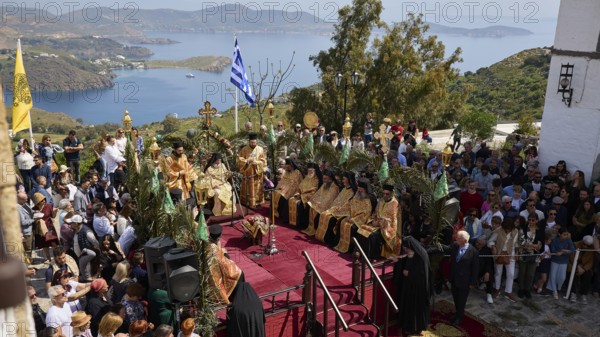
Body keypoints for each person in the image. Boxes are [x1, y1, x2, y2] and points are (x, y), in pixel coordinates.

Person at [393, 236, 432, 335]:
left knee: (417, 310)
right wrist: (398, 262)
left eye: (406, 247)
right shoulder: (412, 253)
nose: (405, 249)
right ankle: (408, 327)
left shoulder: (422, 255)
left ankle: (419, 328)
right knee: (408, 307)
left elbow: (423, 273)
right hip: (409, 288)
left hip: (418, 289)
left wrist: (409, 273)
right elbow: (406, 260)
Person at [334, 178, 375, 253]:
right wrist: (348, 214)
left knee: (352, 227)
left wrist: (354, 219)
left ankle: (350, 249)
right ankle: (339, 244)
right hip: (351, 216)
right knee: (341, 221)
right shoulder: (357, 194)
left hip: (361, 220)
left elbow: (366, 213)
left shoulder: (370, 199)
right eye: (358, 187)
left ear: (365, 189)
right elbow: (350, 204)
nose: (359, 189)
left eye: (361, 188)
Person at [315, 171, 356, 245]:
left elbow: (348, 204)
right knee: (323, 214)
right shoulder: (344, 189)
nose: (342, 180)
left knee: (330, 219)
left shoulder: (352, 191)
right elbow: (338, 199)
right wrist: (333, 207)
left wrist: (339, 209)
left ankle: (328, 239)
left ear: (349, 180)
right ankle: (321, 236)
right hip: (336, 208)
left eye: (344, 179)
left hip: (345, 211)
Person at [448, 230, 479, 326]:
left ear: (465, 240)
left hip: (464, 281)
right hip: (454, 279)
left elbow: (475, 268)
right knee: (456, 298)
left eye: (458, 238)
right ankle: (458, 313)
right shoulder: (455, 246)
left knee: (461, 300)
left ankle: (459, 317)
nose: (456, 239)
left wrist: (472, 282)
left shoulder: (473, 252)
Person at [207, 225, 243, 305]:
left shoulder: (207, 243)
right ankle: (235, 300)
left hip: (210, 270)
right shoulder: (214, 249)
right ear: (219, 238)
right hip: (216, 273)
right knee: (239, 274)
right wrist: (231, 262)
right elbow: (224, 263)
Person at [488, 218, 520, 302]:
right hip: (499, 254)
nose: (508, 230)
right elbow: (490, 241)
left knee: (511, 274)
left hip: (510, 254)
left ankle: (508, 292)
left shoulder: (516, 231)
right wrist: (493, 246)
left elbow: (516, 243)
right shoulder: (498, 231)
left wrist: (517, 252)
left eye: (509, 229)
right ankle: (497, 289)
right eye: (506, 229)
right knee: (498, 273)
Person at [303, 169, 339, 236]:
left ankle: (316, 229)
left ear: (330, 178)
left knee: (315, 209)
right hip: (320, 203)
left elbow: (329, 199)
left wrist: (318, 203)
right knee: (309, 205)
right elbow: (318, 194)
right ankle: (309, 227)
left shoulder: (334, 187)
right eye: (323, 178)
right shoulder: (324, 184)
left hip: (328, 205)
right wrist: (314, 201)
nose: (324, 180)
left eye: (325, 178)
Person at [517, 213, 544, 299]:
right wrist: (533, 246)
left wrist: (532, 246)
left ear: (537, 221)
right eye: (529, 219)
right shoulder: (523, 228)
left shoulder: (540, 230)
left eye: (533, 220)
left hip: (534, 255)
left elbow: (541, 243)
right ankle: (521, 289)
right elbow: (521, 241)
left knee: (530, 274)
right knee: (522, 272)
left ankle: (527, 289)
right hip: (523, 253)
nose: (531, 221)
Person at [237, 133, 267, 208]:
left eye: (254, 142)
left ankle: (257, 201)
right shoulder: (244, 149)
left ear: (256, 142)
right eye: (252, 142)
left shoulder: (260, 149)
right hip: (247, 173)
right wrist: (247, 161)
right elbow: (239, 160)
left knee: (257, 188)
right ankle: (247, 202)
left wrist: (256, 162)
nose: (253, 144)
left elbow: (263, 161)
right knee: (248, 188)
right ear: (249, 142)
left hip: (257, 173)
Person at [288, 162, 321, 227]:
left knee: (299, 203)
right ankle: (292, 222)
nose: (310, 172)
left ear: (315, 171)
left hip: (310, 196)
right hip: (301, 195)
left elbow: (314, 191)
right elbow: (300, 187)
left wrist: (302, 195)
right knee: (291, 200)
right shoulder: (306, 178)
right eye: (308, 171)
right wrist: (298, 193)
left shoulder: (317, 179)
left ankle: (300, 223)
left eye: (311, 171)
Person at [546, 227, 575, 299]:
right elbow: (552, 249)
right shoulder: (555, 240)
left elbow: (572, 249)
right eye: (564, 234)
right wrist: (557, 253)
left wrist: (563, 251)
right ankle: (554, 290)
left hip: (564, 261)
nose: (566, 236)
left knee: (562, 277)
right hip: (555, 260)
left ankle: (558, 287)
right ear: (559, 234)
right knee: (553, 275)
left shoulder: (568, 240)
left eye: (567, 234)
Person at [273, 158, 303, 224]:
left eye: (288, 167)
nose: (287, 168)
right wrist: (278, 187)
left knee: (283, 197)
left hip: (294, 190)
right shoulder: (287, 172)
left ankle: (283, 216)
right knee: (276, 193)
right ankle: (277, 213)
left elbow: (299, 183)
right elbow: (283, 181)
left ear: (291, 165)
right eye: (286, 167)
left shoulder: (297, 172)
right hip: (285, 188)